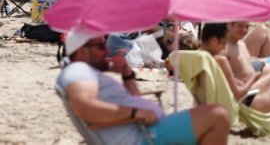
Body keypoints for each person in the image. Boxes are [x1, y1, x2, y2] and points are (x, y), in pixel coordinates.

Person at [58, 32, 230, 144]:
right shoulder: (77, 70)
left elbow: (135, 100)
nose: (107, 51)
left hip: (148, 128)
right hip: (144, 136)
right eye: (101, 46)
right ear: (82, 52)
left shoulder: (88, 72)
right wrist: (134, 113)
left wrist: (127, 75)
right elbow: (84, 106)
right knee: (218, 116)